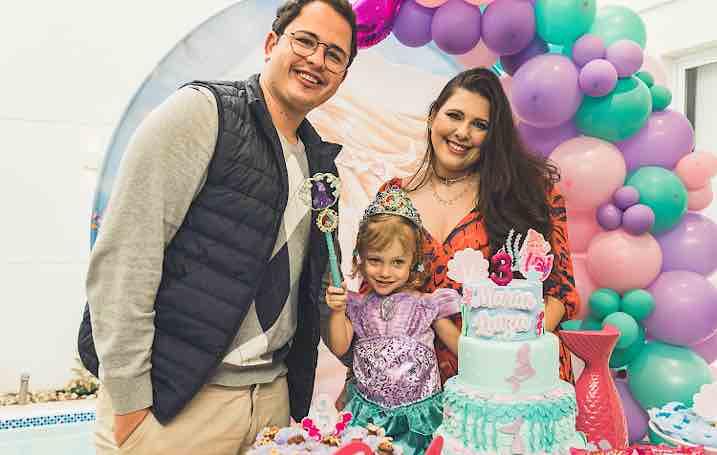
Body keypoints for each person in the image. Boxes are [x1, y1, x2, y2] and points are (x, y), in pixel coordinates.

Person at [76, 1, 357, 453]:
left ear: (342, 76)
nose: (316, 60)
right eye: (305, 41)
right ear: (271, 43)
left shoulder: (321, 165)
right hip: (176, 406)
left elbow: (315, 287)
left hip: (270, 406)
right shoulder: (204, 114)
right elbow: (125, 258)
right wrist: (130, 404)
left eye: (334, 54)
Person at [382, 67, 581, 387]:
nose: (463, 132)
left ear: (493, 136)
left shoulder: (530, 193)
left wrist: (512, 357)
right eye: (454, 116)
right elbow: (376, 291)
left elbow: (561, 292)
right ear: (433, 116)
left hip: (516, 380)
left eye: (480, 125)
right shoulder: (393, 198)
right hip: (416, 386)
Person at [325, 186, 461, 455]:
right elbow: (340, 346)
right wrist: (337, 311)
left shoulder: (426, 305)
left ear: (414, 262)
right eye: (375, 260)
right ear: (360, 258)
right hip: (367, 416)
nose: (385, 272)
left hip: (418, 421)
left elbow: (462, 349)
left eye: (397, 262)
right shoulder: (358, 307)